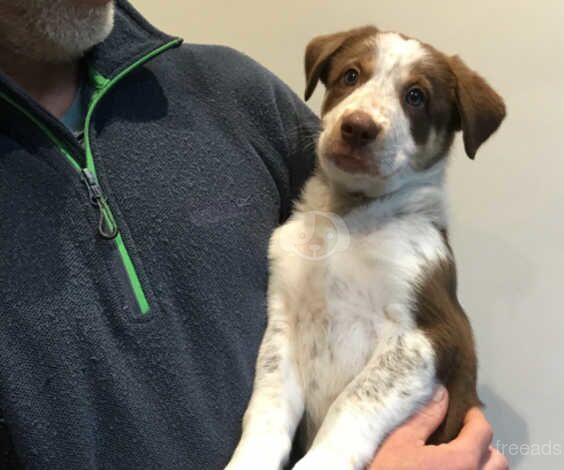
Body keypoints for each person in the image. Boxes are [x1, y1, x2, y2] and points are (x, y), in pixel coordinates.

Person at [0, 1, 508, 469]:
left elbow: (421, 349)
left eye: (414, 97)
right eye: (350, 77)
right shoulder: (299, 234)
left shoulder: (232, 93)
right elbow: (283, 339)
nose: (362, 114)